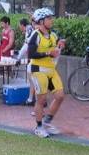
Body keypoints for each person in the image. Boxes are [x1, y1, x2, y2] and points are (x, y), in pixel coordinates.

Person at [28, 7, 66, 138]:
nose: (51, 20)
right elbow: (31, 53)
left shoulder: (53, 35)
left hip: (51, 70)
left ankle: (47, 122)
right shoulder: (35, 35)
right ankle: (38, 127)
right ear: (41, 21)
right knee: (41, 99)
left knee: (60, 96)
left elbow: (56, 46)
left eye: (51, 18)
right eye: (49, 18)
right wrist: (48, 53)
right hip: (38, 70)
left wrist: (60, 44)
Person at [16, 18, 37, 106]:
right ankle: (32, 99)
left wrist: (18, 58)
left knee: (33, 80)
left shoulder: (29, 30)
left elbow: (26, 45)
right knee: (33, 80)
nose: (19, 27)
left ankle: (35, 100)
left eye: (19, 25)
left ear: (22, 25)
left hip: (34, 58)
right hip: (33, 57)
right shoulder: (32, 29)